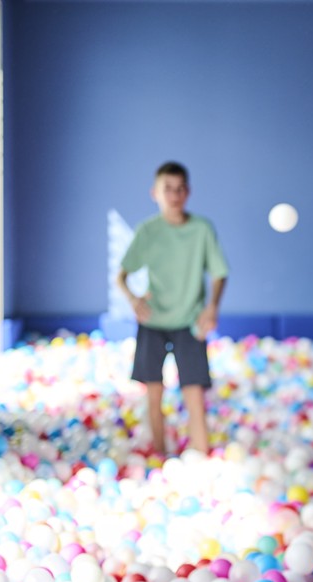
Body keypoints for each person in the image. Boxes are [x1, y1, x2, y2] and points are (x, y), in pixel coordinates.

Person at [117, 161, 229, 455]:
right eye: (168, 189)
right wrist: (133, 299)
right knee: (154, 394)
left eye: (180, 189)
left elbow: (219, 273)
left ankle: (202, 458)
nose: (174, 195)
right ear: (155, 193)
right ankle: (158, 457)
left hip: (189, 320)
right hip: (153, 320)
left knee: (194, 393)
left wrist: (212, 307)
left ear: (188, 192)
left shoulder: (201, 229)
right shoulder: (147, 231)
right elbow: (121, 275)